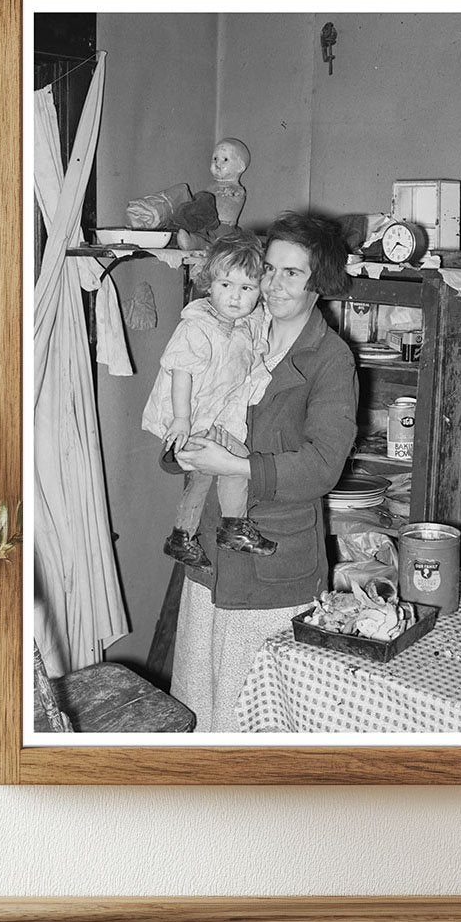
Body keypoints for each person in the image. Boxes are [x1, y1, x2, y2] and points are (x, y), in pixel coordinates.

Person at [172, 212, 358, 731]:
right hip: (209, 556)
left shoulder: (330, 360)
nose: (273, 285)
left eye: (292, 273)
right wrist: (179, 450)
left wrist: (235, 465)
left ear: (319, 282)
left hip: (271, 568)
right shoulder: (229, 330)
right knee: (196, 704)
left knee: (251, 720)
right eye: (269, 270)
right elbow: (179, 407)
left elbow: (322, 467)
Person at [141, 229, 276, 572]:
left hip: (213, 416)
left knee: (201, 477)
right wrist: (182, 419)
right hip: (193, 417)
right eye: (225, 285)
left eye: (247, 288)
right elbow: (180, 372)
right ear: (209, 283)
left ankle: (181, 536)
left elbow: (261, 328)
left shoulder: (244, 322)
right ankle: (233, 527)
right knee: (235, 462)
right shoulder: (198, 326)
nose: (234, 297)